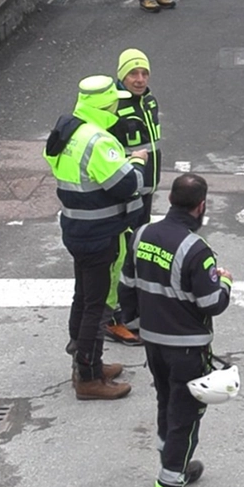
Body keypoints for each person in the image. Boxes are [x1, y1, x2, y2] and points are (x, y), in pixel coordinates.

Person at [119, 174, 232, 487]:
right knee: (185, 418)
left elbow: (126, 287)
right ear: (201, 207)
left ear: (170, 201)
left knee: (167, 404)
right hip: (187, 350)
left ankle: (175, 467)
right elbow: (212, 303)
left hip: (154, 345)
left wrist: (139, 328)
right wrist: (225, 282)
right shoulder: (196, 250)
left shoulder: (141, 235)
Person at [43, 75, 149, 400]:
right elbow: (126, 185)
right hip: (100, 234)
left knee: (83, 297)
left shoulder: (68, 129)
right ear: (105, 105)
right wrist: (135, 162)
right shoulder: (97, 141)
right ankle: (88, 377)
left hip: (76, 229)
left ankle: (85, 361)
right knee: (98, 306)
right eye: (114, 102)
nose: (118, 107)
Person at [103, 47, 164, 347]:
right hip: (127, 192)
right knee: (121, 256)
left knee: (136, 252)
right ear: (121, 75)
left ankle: (131, 310)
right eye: (132, 74)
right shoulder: (115, 107)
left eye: (144, 73)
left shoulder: (149, 100)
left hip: (145, 190)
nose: (139, 79)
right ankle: (112, 317)